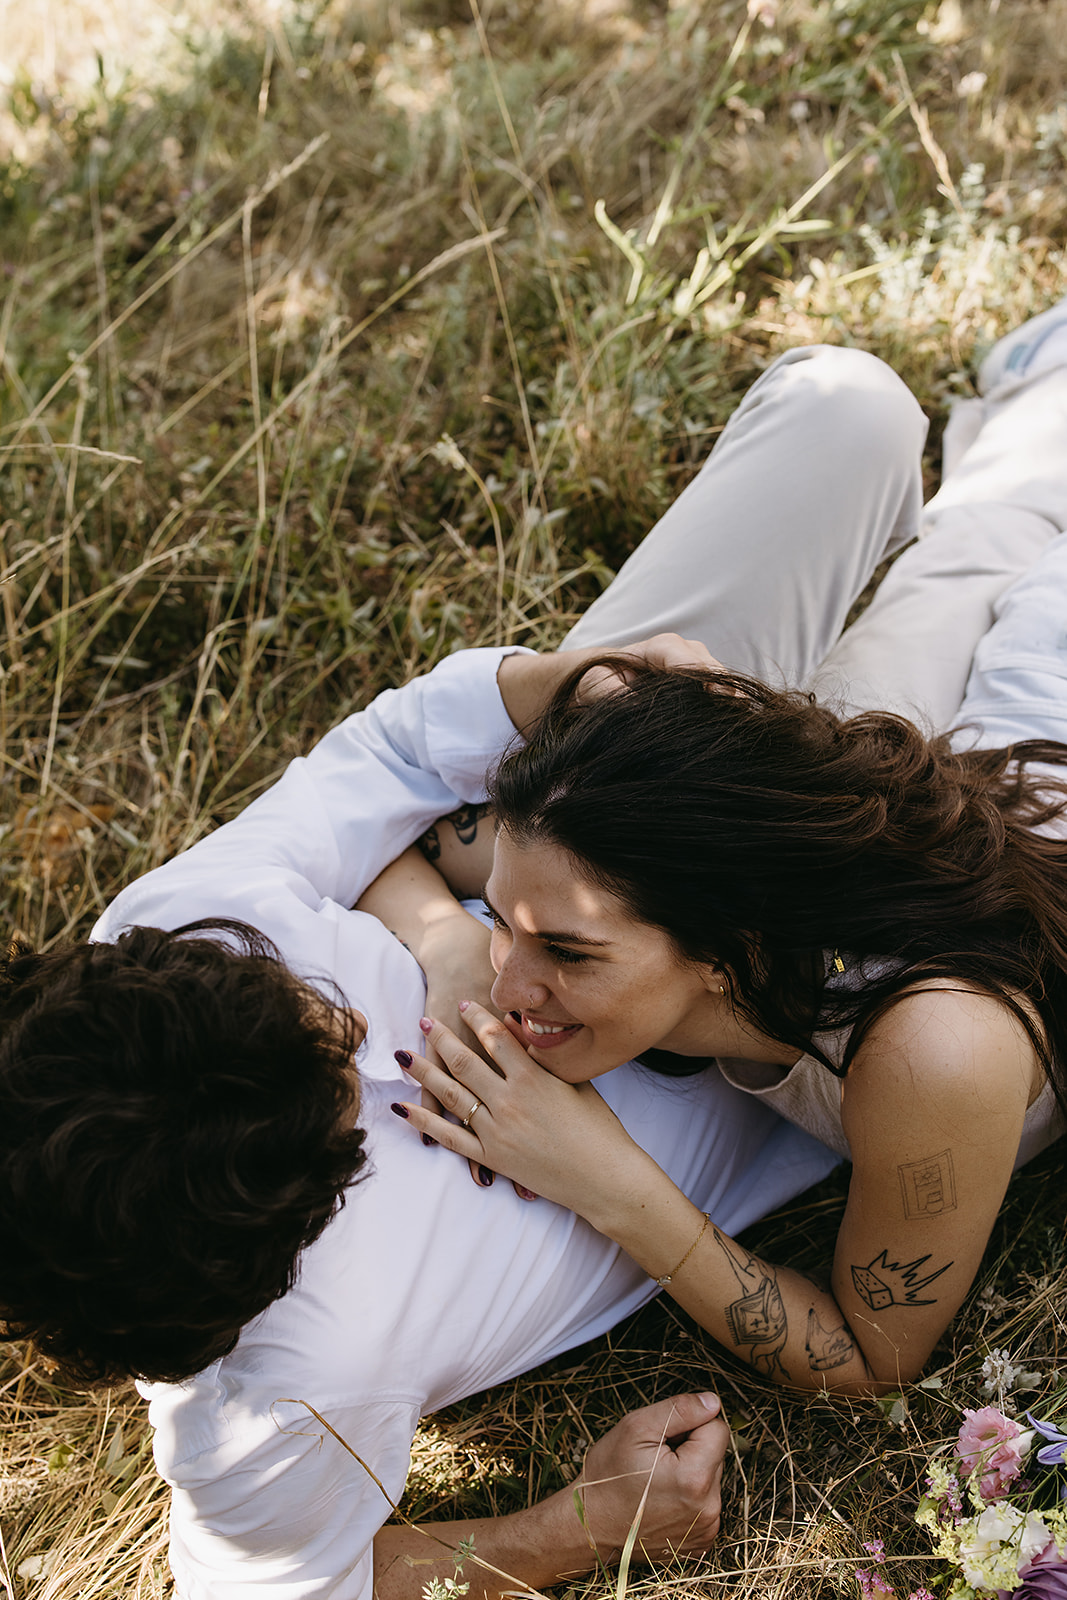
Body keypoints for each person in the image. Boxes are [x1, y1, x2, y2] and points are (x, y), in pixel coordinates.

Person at [0, 637, 840, 1599]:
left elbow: (390, 758)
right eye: (334, 1071)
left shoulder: (181, 928)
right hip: (802, 1037)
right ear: (295, 1221)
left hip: (630, 819)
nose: (356, 1017)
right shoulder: (285, 1400)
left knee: (847, 504)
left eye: (294, 992)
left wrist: (572, 690)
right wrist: (579, 1525)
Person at [378, 300, 1067, 1397]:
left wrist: (614, 1184)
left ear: (725, 943)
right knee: (978, 541)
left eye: (564, 949)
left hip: (1043, 798)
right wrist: (446, 948)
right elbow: (401, 836)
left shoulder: (928, 1047)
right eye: (506, 922)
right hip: (904, 773)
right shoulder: (593, 873)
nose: (513, 980)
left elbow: (870, 1353)